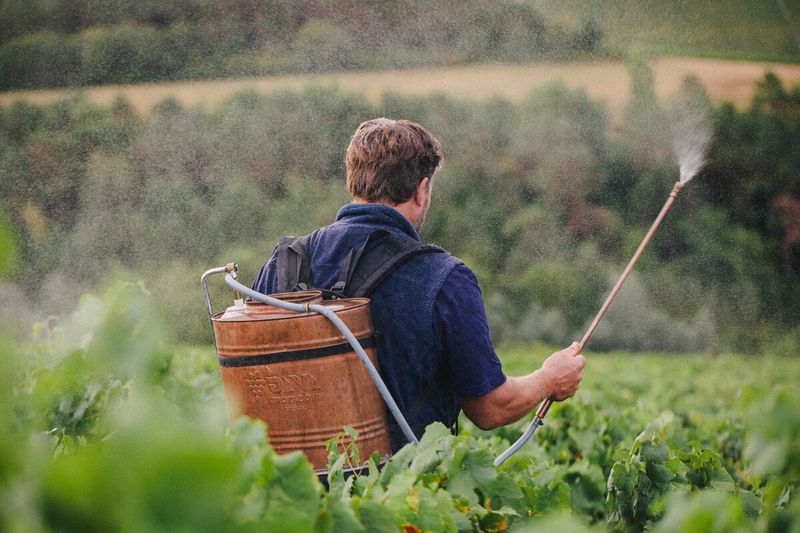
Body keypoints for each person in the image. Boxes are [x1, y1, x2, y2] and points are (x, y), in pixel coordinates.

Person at [252, 118, 585, 451]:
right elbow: (490, 408)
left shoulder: (284, 262)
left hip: (289, 491)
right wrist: (549, 379)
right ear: (422, 190)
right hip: (403, 495)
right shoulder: (446, 279)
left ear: (353, 182)